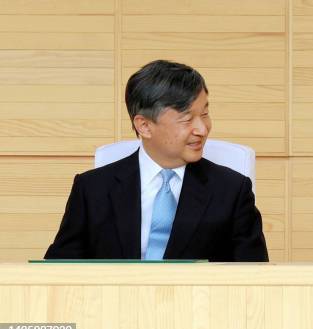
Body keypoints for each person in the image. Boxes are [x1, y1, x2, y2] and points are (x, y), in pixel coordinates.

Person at [45, 60, 268, 261]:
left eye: (205, 114)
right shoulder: (93, 189)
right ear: (144, 126)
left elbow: (255, 277)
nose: (202, 129)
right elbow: (59, 269)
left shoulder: (232, 190)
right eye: (187, 119)